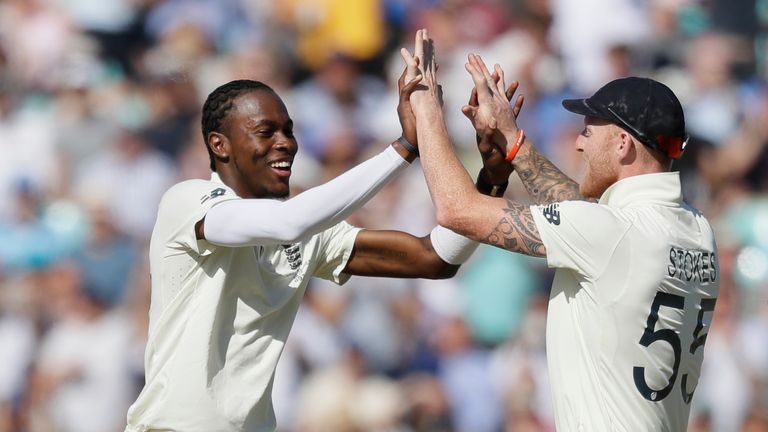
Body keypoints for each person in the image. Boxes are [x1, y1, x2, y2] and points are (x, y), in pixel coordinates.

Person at [124, 49, 519, 431]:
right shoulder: (187, 201)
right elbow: (288, 223)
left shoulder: (308, 230)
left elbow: (434, 259)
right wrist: (403, 148)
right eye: (266, 132)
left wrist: (492, 179)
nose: (285, 143)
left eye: (289, 131)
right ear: (219, 145)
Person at [406, 29, 720, 431]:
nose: (578, 144)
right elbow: (586, 217)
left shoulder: (611, 233)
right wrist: (513, 142)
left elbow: (456, 210)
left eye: (588, 132)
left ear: (623, 144)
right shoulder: (698, 228)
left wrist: (428, 107)